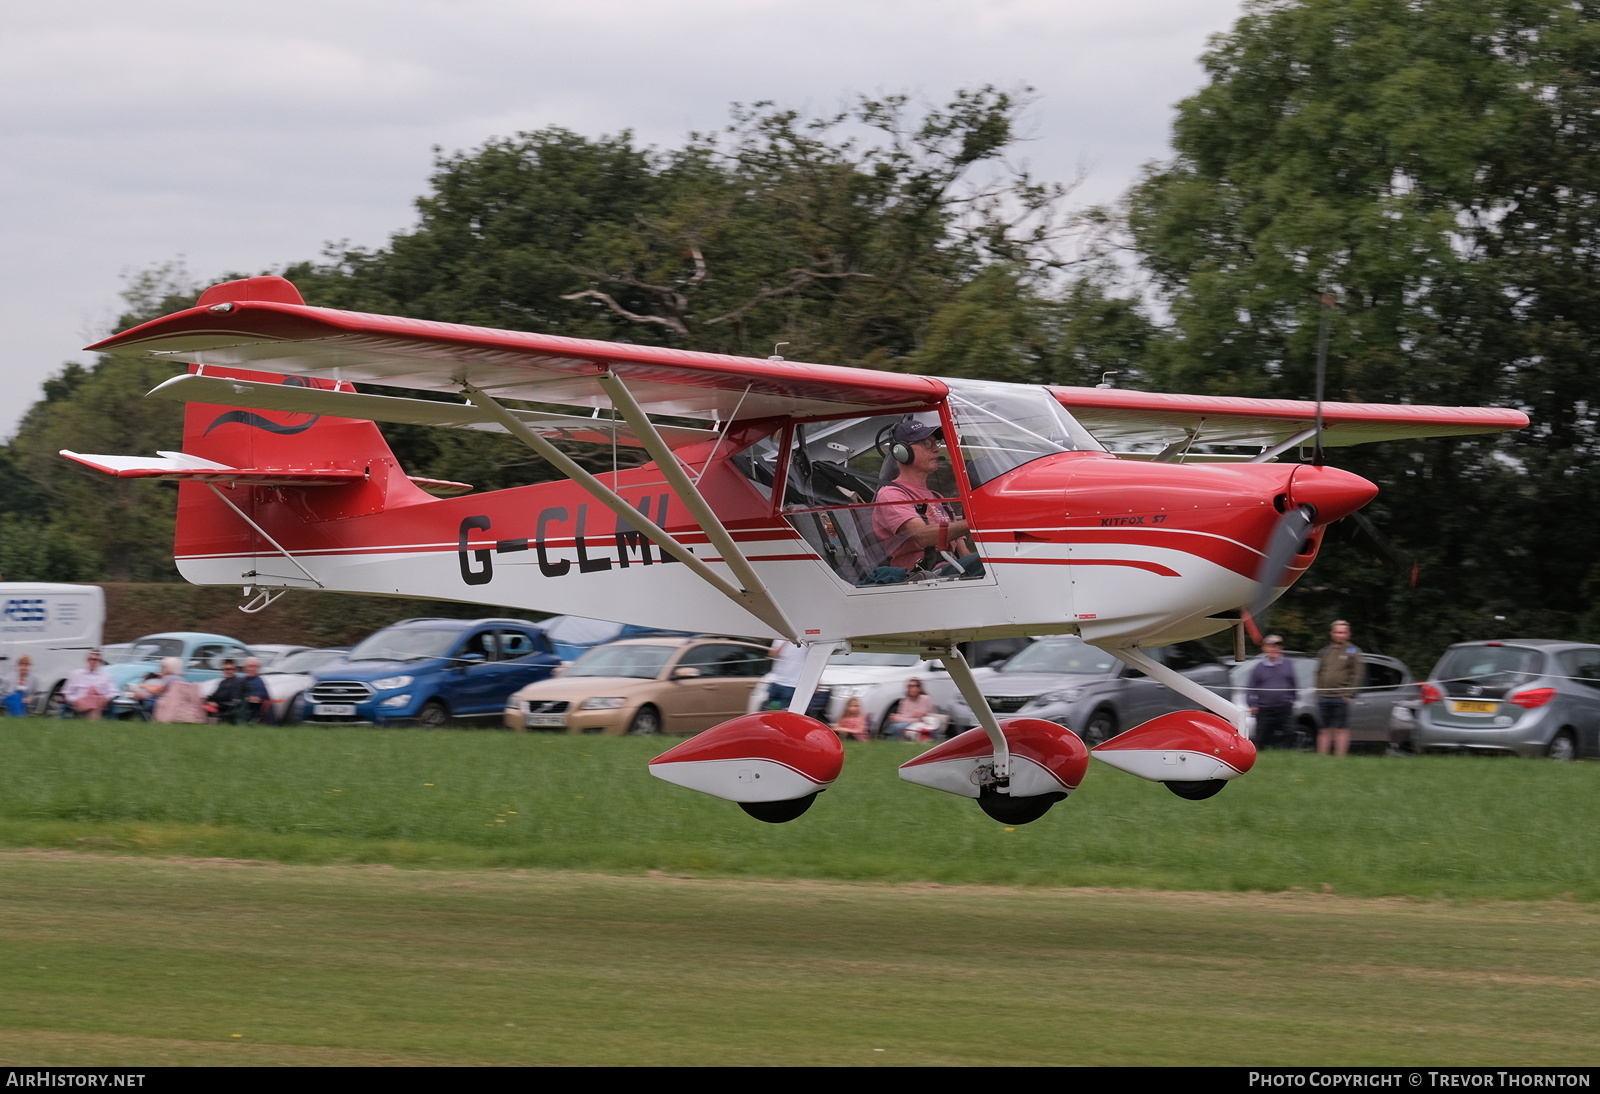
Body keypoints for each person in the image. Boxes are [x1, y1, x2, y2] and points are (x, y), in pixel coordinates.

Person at [871, 419, 977, 577]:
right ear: (902, 451)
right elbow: (922, 536)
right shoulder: (891, 494)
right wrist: (977, 521)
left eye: (936, 443)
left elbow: (963, 554)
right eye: (927, 443)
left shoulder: (938, 498)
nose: (935, 449)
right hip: (919, 576)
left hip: (952, 571)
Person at [1315, 619, 1363, 756]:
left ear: (1348, 634)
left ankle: (1340, 758)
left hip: (1341, 696)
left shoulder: (1353, 651)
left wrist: (1348, 693)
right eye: (1337, 632)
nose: (1339, 635)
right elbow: (1319, 672)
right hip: (1324, 696)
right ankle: (1321, 757)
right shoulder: (1325, 651)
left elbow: (1357, 673)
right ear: (1332, 634)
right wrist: (1319, 691)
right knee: (1324, 729)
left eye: (1342, 632)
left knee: (1341, 729)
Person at [1245, 635, 1297, 748]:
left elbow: (1293, 682)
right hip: (1265, 708)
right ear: (1264, 649)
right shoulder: (1259, 667)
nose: (1274, 649)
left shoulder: (1288, 664)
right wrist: (1252, 704)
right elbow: (1251, 687)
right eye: (1270, 646)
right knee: (1262, 737)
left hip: (1284, 707)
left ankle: (1283, 755)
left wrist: (1293, 698)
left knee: (1289, 733)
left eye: (1276, 646)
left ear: (1281, 648)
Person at [61, 650, 119, 719]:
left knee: (97, 699)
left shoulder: (106, 675)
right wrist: (75, 700)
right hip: (79, 701)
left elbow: (114, 692)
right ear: (87, 660)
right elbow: (67, 692)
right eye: (92, 659)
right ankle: (92, 722)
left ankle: (93, 722)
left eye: (98, 660)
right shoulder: (76, 674)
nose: (94, 662)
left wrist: (107, 698)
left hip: (99, 702)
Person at [764, 640, 807, 711]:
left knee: (785, 714)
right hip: (776, 682)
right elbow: (772, 654)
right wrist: (786, 641)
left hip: (791, 685)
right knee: (772, 711)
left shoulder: (803, 641)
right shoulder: (780, 639)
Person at [238, 657, 275, 725]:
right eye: (249, 666)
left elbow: (256, 699)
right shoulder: (242, 680)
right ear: (245, 668)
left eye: (254, 666)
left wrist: (243, 698)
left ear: (258, 668)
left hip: (253, 713)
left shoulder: (259, 682)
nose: (251, 669)